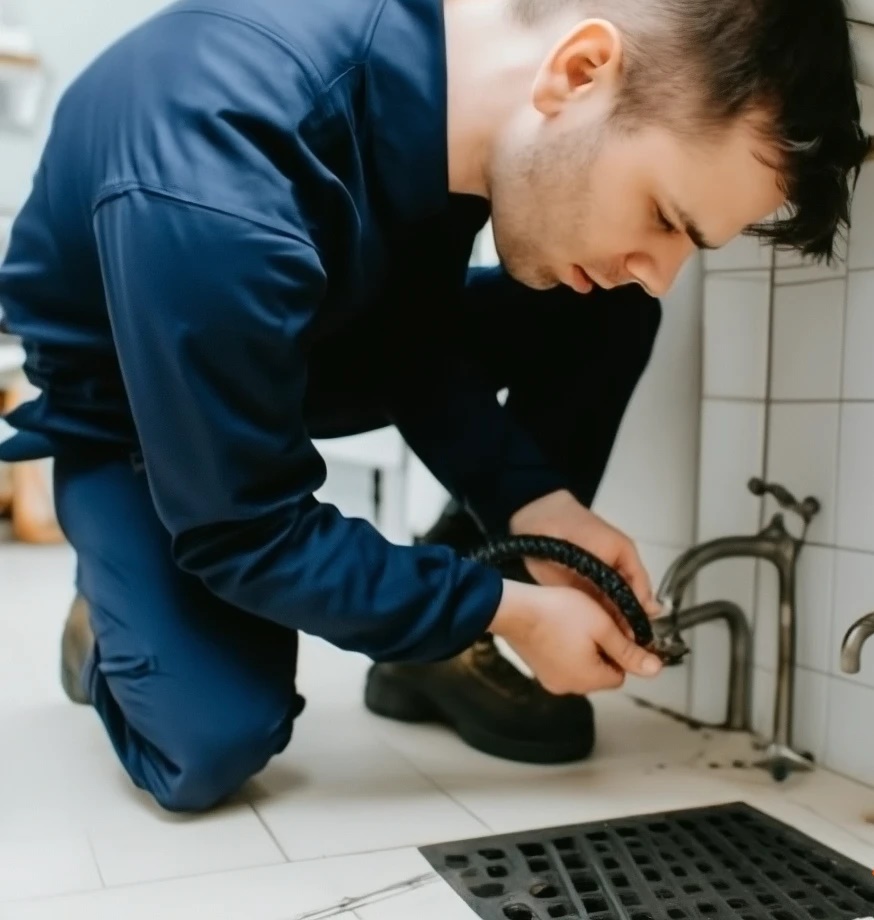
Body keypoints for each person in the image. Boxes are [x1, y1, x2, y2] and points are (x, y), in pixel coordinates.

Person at [0, 0, 867, 813]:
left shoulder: (465, 101)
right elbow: (248, 529)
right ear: (580, 71)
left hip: (309, 326)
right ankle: (117, 599)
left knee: (609, 306)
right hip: (145, 399)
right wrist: (507, 605)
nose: (662, 269)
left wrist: (538, 507)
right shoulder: (222, 153)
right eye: (664, 216)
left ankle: (436, 652)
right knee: (211, 741)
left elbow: (403, 338)